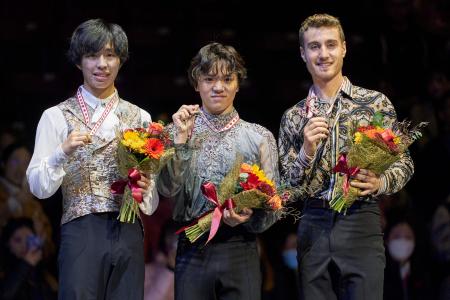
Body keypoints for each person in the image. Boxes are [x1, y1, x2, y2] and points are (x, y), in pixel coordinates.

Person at [278, 14, 414, 300]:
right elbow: (286, 190)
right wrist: (305, 153)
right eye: (314, 46)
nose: (323, 54)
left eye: (330, 44)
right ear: (303, 53)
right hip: (313, 222)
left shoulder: (374, 103)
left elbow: (404, 163)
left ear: (344, 48)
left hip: (360, 218)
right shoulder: (293, 117)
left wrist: (379, 182)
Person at [26, 19, 159, 300]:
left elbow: (151, 200)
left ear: (120, 60)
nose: (102, 64)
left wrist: (146, 188)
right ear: (79, 62)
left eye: (110, 55)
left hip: (129, 231)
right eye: (92, 56)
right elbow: (38, 187)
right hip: (81, 230)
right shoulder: (56, 116)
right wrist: (61, 152)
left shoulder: (141, 117)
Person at [157, 42, 279, 300]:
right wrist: (180, 143)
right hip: (191, 248)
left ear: (238, 83)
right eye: (209, 78)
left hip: (241, 248)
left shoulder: (259, 137)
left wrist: (248, 219)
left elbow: (273, 207)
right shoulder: (175, 131)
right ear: (196, 83)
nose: (218, 87)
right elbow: (166, 189)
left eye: (227, 78)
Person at [0, 217, 57, 300]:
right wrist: (26, 264)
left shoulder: (43, 271)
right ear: (8, 244)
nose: (24, 245)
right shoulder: (5, 274)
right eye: (18, 240)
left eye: (29, 239)